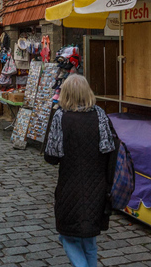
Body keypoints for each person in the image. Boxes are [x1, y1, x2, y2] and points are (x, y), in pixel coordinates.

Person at [44, 74, 116, 267]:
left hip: (70, 187)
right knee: (89, 241)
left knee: (67, 236)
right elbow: (110, 151)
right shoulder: (100, 115)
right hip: (97, 187)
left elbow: (51, 157)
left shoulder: (60, 117)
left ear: (65, 93)